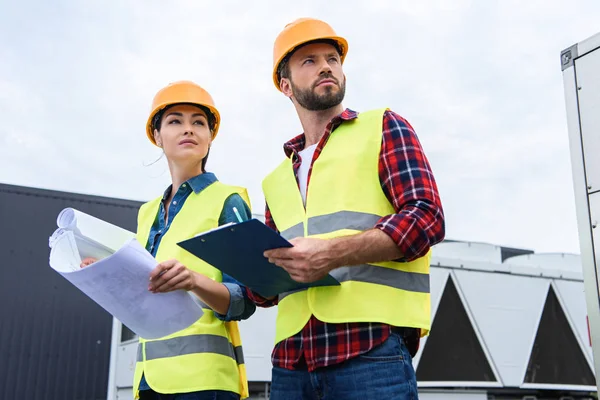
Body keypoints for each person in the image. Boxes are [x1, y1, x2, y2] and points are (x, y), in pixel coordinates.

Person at [249, 18, 445, 399]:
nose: (326, 66)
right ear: (285, 86)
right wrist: (249, 270)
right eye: (309, 60)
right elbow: (267, 293)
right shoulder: (276, 180)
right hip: (292, 364)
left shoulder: (384, 127)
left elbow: (427, 217)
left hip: (371, 353)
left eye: (332, 58)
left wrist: (332, 252)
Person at [81, 81, 254, 400]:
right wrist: (105, 275)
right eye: (175, 121)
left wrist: (193, 281)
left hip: (204, 382)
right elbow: (145, 292)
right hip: (148, 380)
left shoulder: (227, 200)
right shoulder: (147, 213)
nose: (188, 129)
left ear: (210, 136)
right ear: (157, 136)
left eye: (198, 122)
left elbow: (244, 299)